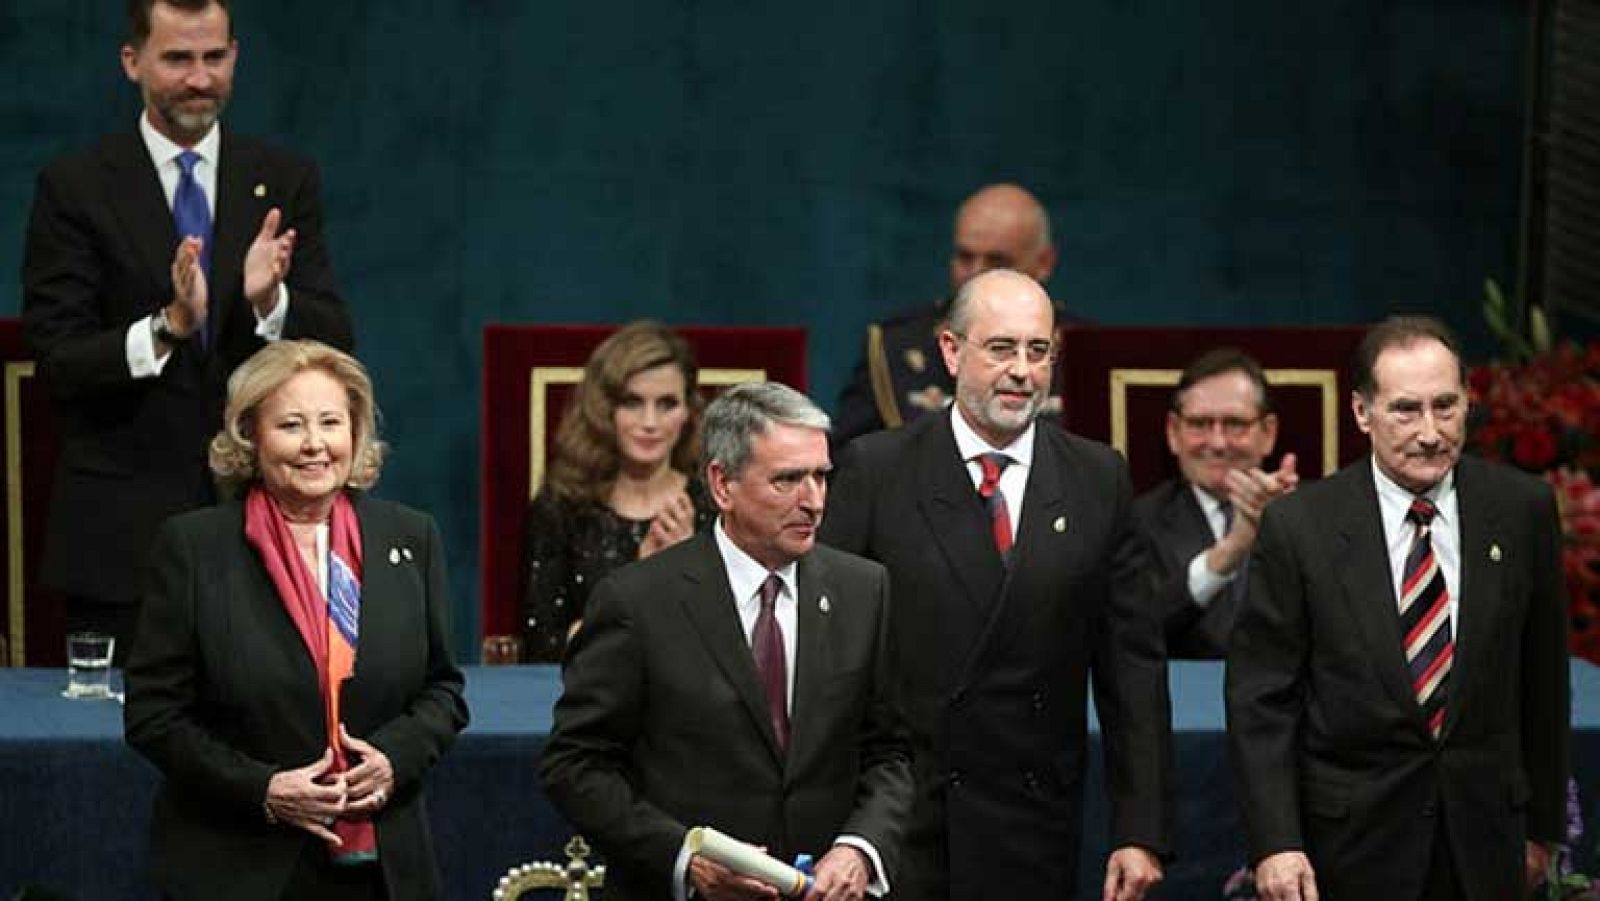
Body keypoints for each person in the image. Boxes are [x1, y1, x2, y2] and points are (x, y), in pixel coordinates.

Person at [821, 269, 1173, 900]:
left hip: (1034, 823)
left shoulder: (1098, 478)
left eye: (1037, 352)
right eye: (1001, 349)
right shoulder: (876, 470)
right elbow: (826, 656)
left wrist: (1139, 828)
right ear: (951, 351)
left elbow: (1133, 670)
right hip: (905, 822)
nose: (1021, 371)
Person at [20, 0, 352, 659]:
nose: (199, 78)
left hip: (267, 527)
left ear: (234, 56)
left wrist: (271, 302)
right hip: (123, 540)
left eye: (214, 58)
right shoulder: (77, 186)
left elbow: (335, 342)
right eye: (177, 59)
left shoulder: (283, 179)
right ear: (132, 61)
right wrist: (168, 327)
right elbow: (58, 360)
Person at [1227, 316, 1569, 901]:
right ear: (1362, 413)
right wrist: (1276, 843)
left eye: (1447, 406)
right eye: (1406, 410)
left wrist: (1542, 832)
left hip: (1486, 847)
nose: (1431, 432)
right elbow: (1263, 699)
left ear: (1468, 402)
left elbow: (1542, 684)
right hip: (1350, 846)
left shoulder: (1523, 510)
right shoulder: (1301, 526)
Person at [541, 381, 913, 901]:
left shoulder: (864, 590)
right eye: (788, 480)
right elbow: (576, 765)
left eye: (821, 477)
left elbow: (890, 752)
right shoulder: (637, 601)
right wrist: (684, 859)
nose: (814, 501)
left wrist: (859, 848)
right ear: (722, 484)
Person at [125, 341, 467, 900]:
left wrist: (392, 760)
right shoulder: (194, 548)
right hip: (241, 866)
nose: (315, 444)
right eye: (290, 425)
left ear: (354, 434)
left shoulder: (410, 537)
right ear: (250, 437)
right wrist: (264, 788)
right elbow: (153, 716)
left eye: (331, 422)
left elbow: (444, 691)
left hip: (386, 869)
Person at [520, 321, 716, 662]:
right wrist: (645, 576)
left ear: (689, 412)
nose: (650, 422)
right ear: (604, 409)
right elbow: (543, 650)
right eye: (632, 402)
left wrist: (689, 568)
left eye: (667, 403)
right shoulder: (561, 507)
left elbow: (736, 651)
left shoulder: (716, 505)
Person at [832, 183, 1058, 448]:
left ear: (1044, 262)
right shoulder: (894, 345)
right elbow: (849, 464)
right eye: (965, 257)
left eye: (997, 261)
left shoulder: (1085, 350)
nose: (976, 272)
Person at [1133, 349, 1298, 659]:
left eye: (1235, 424)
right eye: (1199, 424)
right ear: (1173, 432)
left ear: (1268, 433)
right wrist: (1228, 553)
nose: (1218, 443)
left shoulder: (1313, 518)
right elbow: (1133, 633)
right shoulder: (1136, 523)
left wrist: (1294, 537)